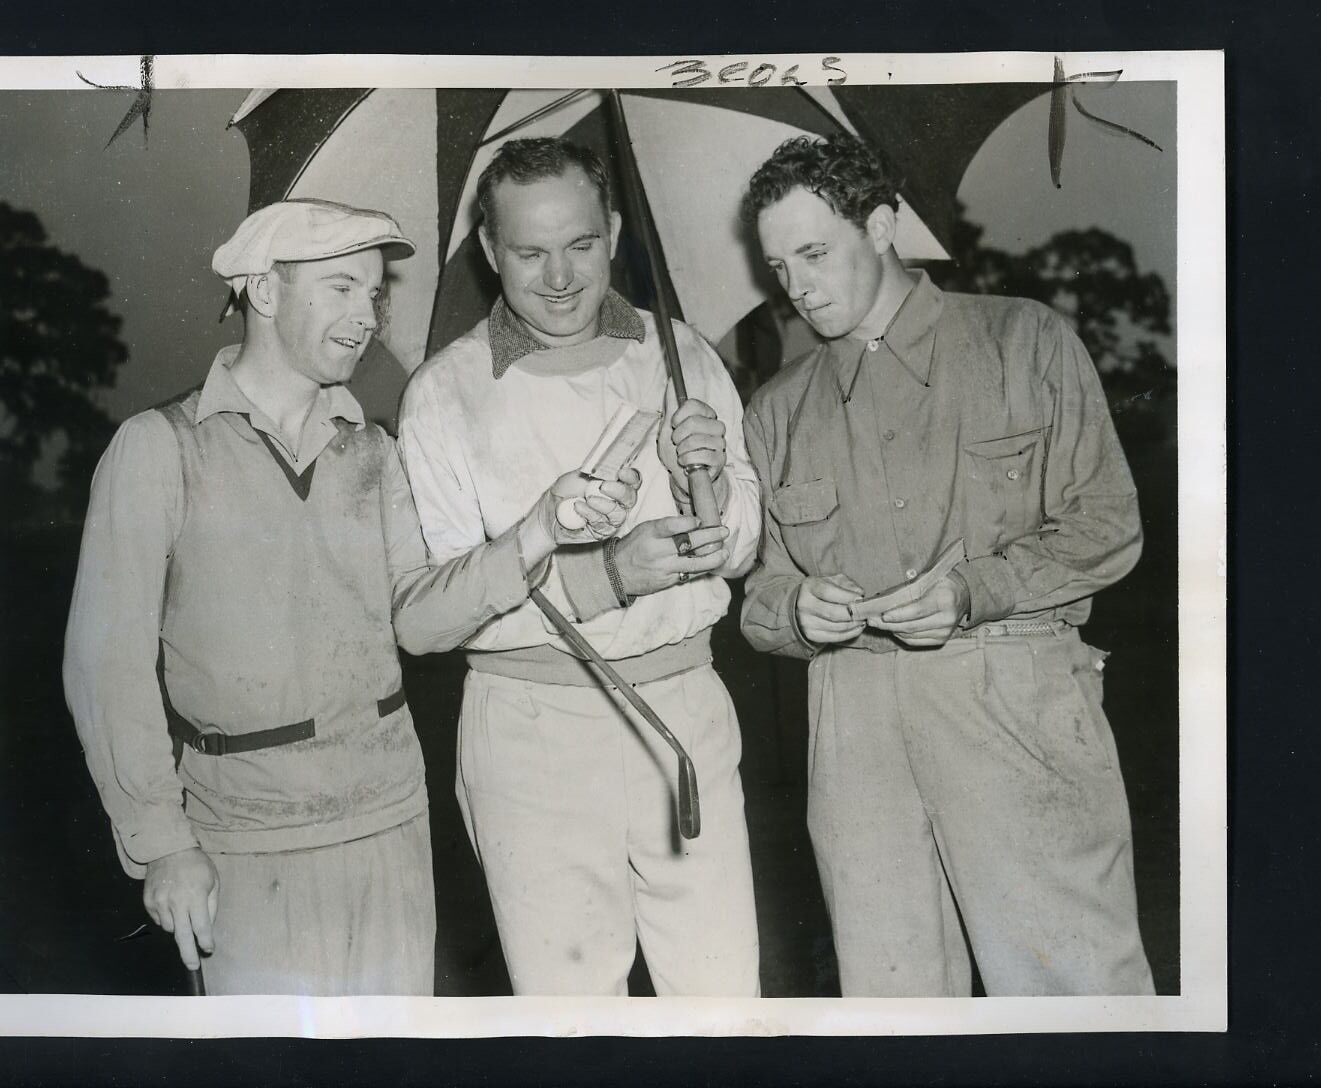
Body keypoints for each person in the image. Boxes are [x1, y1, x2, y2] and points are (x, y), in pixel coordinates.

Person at [62, 198, 639, 995]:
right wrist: (161, 844)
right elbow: (107, 668)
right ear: (263, 292)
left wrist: (539, 530)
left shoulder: (372, 450)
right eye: (339, 288)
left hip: (387, 823)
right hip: (244, 839)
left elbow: (422, 621)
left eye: (373, 294)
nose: (366, 315)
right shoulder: (162, 448)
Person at [739, 134, 1156, 997]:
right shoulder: (775, 410)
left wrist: (974, 590)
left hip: (1011, 692)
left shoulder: (1022, 341)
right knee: (891, 999)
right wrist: (793, 612)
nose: (796, 286)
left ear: (883, 225)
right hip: (849, 721)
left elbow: (1108, 523)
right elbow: (760, 596)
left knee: (1071, 988)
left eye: (814, 253)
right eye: (778, 266)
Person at [394, 137, 762, 996]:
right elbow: (432, 613)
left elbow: (739, 549)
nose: (558, 276)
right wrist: (607, 576)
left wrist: (711, 490)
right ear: (489, 251)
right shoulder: (443, 393)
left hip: (685, 709)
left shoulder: (685, 355)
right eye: (528, 252)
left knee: (720, 1001)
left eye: (582, 245)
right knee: (573, 1018)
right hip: (531, 727)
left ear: (616, 232)